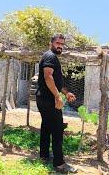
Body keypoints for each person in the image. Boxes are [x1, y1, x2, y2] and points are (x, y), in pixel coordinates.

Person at [35, 34, 77, 173]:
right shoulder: (50, 56)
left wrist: (66, 93)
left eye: (62, 44)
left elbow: (56, 82)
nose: (60, 46)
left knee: (46, 127)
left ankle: (44, 156)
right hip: (48, 99)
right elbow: (48, 77)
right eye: (57, 43)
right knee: (58, 129)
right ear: (51, 43)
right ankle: (59, 164)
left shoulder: (52, 57)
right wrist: (57, 97)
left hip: (45, 98)